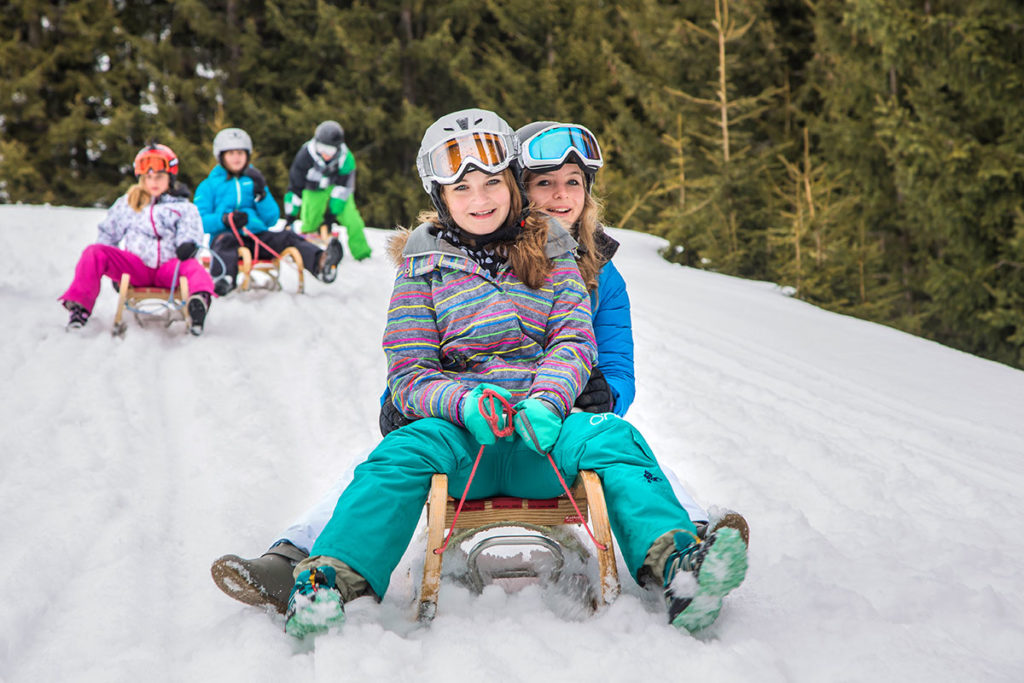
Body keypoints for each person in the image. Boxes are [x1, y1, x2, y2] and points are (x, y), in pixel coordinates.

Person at [210, 118, 747, 621]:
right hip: (464, 439)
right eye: (461, 188)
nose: (479, 198)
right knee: (395, 456)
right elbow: (410, 365)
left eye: (490, 182)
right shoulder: (424, 268)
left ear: (510, 185)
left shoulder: (558, 256)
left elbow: (575, 342)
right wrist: (458, 402)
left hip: (550, 434)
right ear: (440, 197)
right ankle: (329, 579)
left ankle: (682, 569)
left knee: (618, 439)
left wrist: (554, 399)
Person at [59, 143, 213, 335]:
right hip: (137, 268)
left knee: (193, 267)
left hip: (169, 269)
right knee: (94, 252)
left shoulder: (183, 208)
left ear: (170, 178)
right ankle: (79, 309)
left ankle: (199, 302)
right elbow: (108, 233)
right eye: (148, 177)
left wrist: (187, 245)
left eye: (159, 176)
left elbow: (191, 231)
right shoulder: (127, 204)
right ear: (141, 179)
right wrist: (113, 266)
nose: (154, 182)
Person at [194, 127, 343, 296]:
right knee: (225, 243)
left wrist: (261, 195)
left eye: (240, 153)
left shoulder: (253, 182)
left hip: (256, 238)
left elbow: (271, 218)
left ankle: (322, 264)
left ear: (247, 155)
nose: (236, 158)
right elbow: (199, 221)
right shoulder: (208, 186)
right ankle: (223, 279)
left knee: (288, 236)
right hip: (226, 238)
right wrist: (224, 220)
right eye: (231, 153)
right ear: (221, 156)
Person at [283, 120, 372, 261]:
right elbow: (295, 187)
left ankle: (362, 254)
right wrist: (291, 215)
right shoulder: (305, 155)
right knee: (310, 219)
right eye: (321, 148)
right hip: (314, 190)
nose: (325, 154)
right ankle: (306, 251)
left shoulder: (346, 159)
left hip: (338, 191)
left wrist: (330, 216)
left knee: (352, 220)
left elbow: (344, 188)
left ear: (338, 148)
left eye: (330, 150)